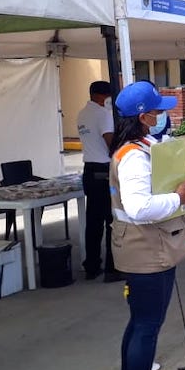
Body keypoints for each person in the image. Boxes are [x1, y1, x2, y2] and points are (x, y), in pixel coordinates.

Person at [109, 80, 185, 370]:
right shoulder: (132, 157)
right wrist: (178, 198)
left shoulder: (136, 147)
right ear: (144, 117)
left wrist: (176, 186)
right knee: (147, 326)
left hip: (143, 246)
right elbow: (139, 207)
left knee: (139, 324)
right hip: (147, 249)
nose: (164, 115)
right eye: (158, 111)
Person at [77, 80, 116, 281]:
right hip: (104, 172)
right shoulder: (103, 115)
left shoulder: (82, 114)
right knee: (112, 221)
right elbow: (112, 144)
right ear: (102, 96)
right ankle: (112, 267)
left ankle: (91, 266)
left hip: (89, 171)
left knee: (93, 222)